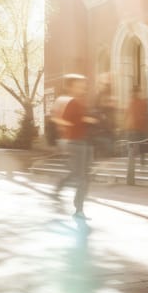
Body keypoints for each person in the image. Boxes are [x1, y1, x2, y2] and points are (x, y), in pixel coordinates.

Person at [51, 74, 95, 219]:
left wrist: (85, 120)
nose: (82, 86)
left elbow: (76, 118)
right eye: (79, 84)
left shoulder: (79, 101)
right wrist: (77, 123)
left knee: (81, 175)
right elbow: (60, 119)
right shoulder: (70, 102)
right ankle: (79, 209)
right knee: (82, 177)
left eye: (83, 84)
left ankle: (62, 193)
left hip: (83, 142)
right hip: (75, 143)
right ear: (71, 86)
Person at [123, 86, 148, 161]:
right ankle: (140, 159)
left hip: (135, 128)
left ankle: (136, 160)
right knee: (139, 145)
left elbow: (126, 115)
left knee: (134, 146)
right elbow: (147, 116)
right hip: (137, 128)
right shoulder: (139, 103)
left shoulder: (132, 103)